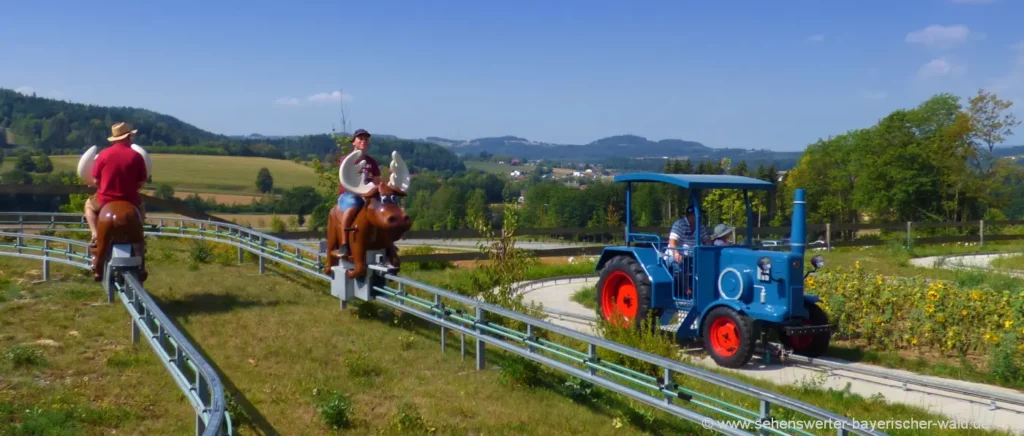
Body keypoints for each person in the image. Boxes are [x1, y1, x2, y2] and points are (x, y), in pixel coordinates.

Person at [84, 122, 149, 249]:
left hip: (105, 199)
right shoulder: (136, 156)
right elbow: (141, 182)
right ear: (128, 137)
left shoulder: (103, 154)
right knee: (141, 207)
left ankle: (95, 234)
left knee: (88, 206)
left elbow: (96, 180)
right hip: (130, 199)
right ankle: (140, 234)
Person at [336, 129, 381, 256]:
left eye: (366, 139)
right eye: (360, 138)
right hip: (349, 193)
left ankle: (387, 241)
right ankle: (344, 244)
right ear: (354, 142)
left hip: (367, 195)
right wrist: (360, 193)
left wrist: (374, 192)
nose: (363, 141)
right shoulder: (346, 160)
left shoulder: (371, 162)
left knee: (384, 210)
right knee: (351, 209)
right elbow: (345, 180)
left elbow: (376, 181)